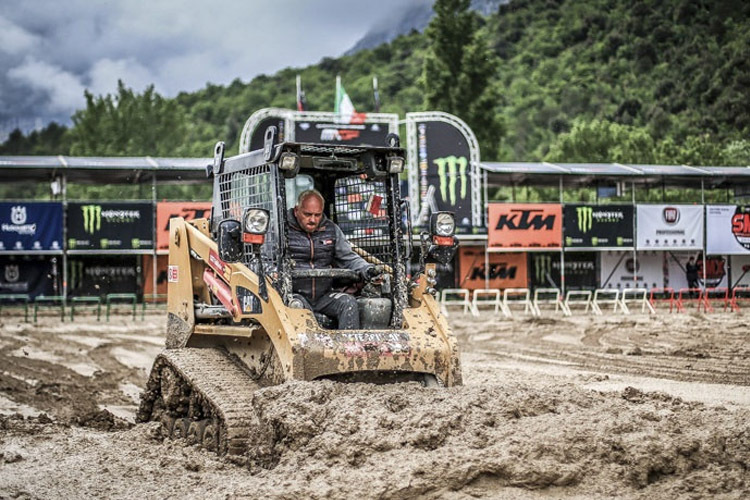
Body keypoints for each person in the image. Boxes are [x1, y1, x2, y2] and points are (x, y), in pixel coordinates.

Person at [287, 189, 379, 329]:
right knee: (297, 307)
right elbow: (269, 261)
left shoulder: (331, 230)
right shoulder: (282, 230)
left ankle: (349, 347)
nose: (312, 220)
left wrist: (367, 269)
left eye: (317, 215)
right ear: (296, 210)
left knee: (348, 302)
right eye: (307, 214)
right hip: (295, 295)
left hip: (323, 296)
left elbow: (348, 258)